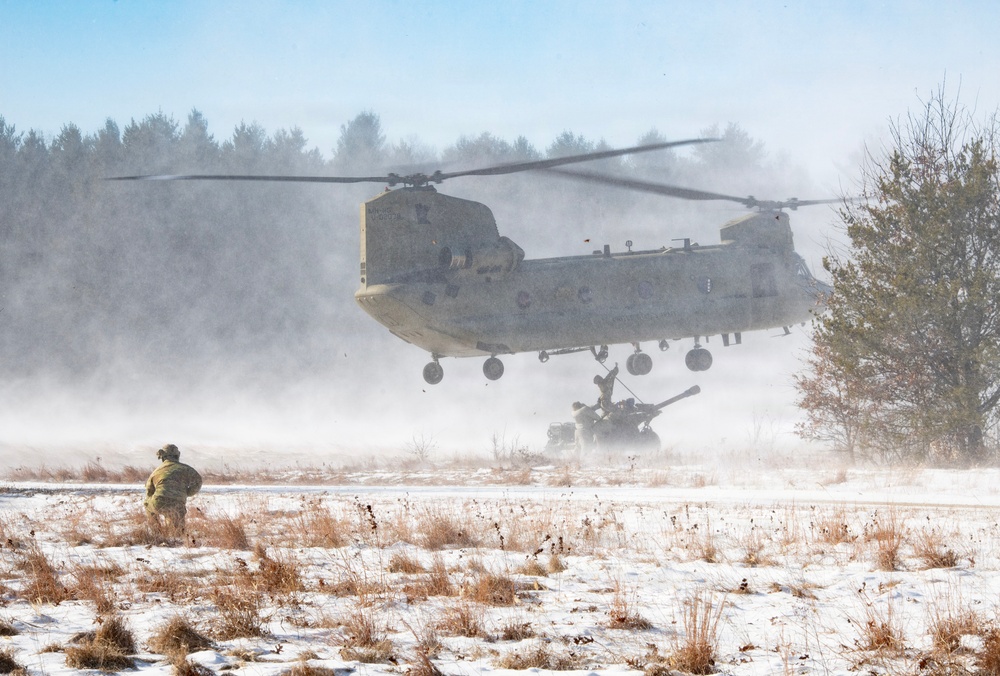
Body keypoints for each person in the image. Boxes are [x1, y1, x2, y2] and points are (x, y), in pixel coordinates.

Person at [144, 444, 203, 533]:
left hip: (158, 502)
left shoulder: (156, 471)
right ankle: (173, 532)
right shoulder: (186, 468)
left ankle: (156, 531)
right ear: (177, 455)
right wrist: (188, 492)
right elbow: (198, 481)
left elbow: (149, 491)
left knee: (148, 505)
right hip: (177, 503)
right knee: (176, 532)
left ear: (163, 457)